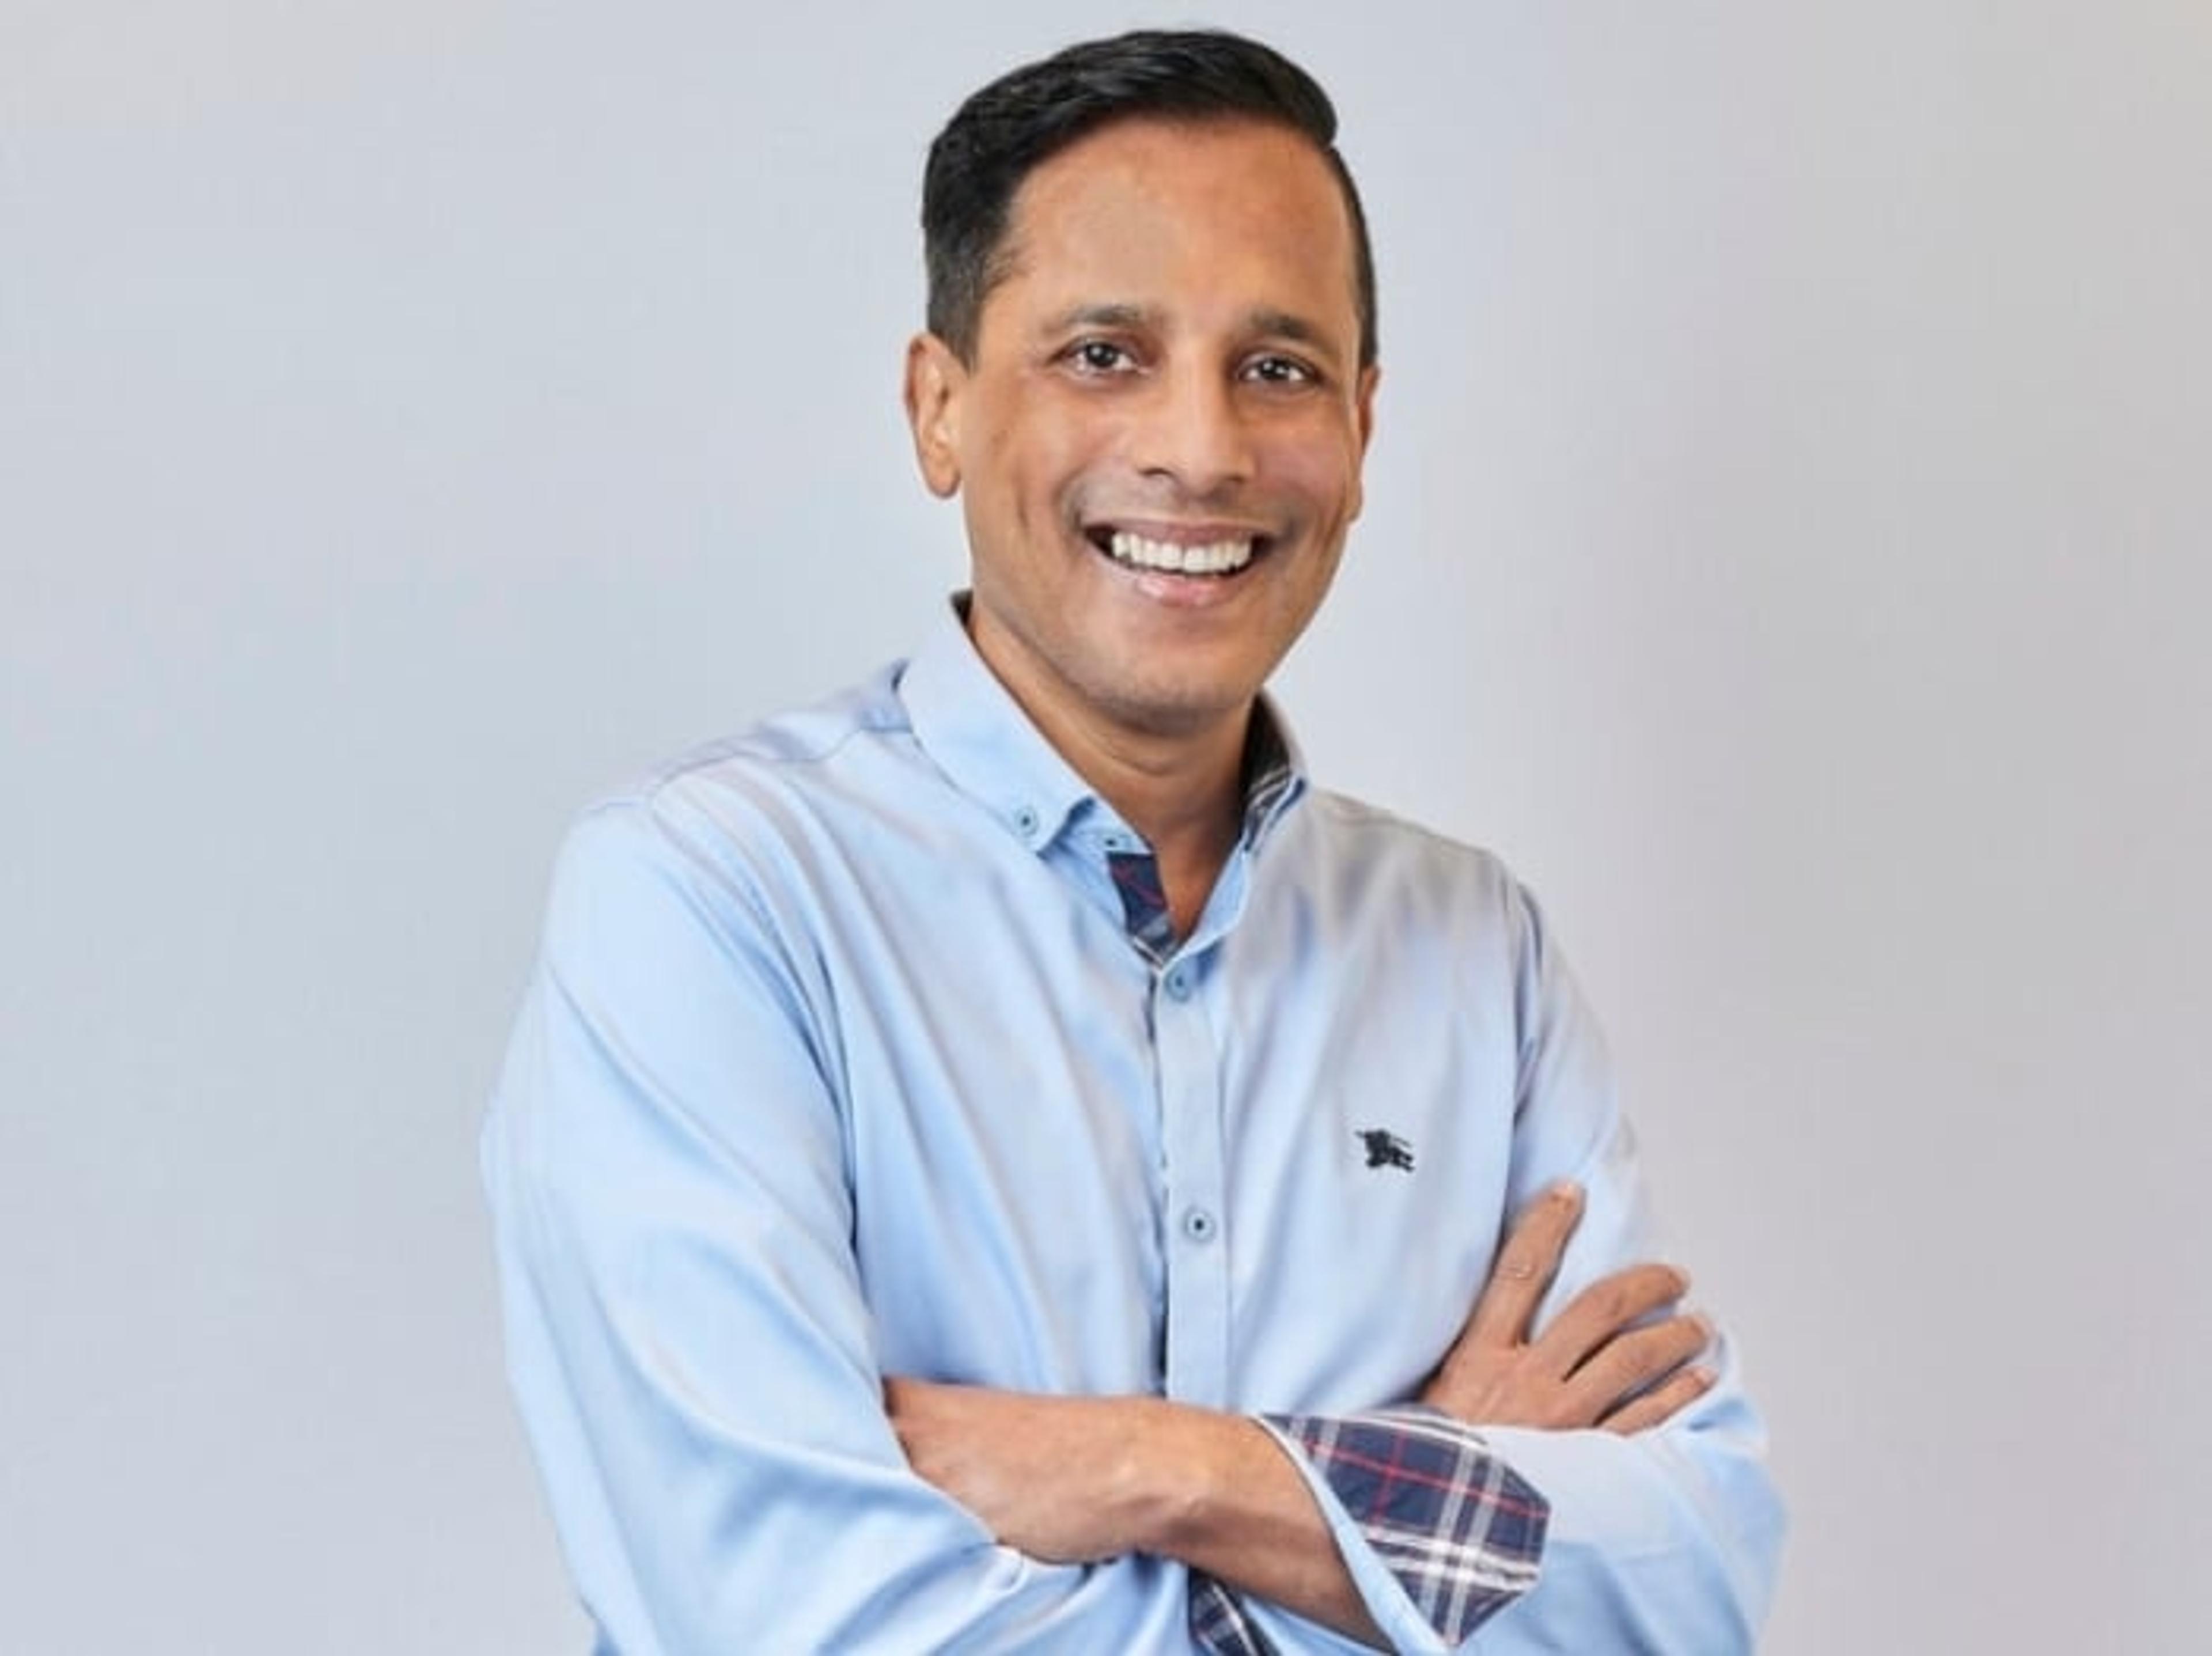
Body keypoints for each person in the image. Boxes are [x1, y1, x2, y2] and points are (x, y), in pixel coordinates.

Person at [483, 28, 1785, 1655]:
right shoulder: (711, 898)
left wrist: (1155, 1471)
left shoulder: (1475, 951)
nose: (1202, 450)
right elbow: (801, 1624)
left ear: (1364, 428)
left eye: (1279, 368)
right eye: (1104, 354)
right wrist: (1415, 1501)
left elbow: (1689, 1584)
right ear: (939, 408)